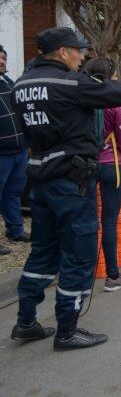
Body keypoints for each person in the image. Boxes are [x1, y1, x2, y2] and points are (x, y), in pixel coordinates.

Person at [10, 27, 121, 350]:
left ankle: (26, 320)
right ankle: (67, 330)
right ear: (61, 52)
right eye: (78, 50)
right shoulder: (69, 83)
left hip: (40, 180)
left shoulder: (21, 85)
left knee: (43, 252)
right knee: (79, 253)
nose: (82, 56)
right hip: (72, 183)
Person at [84, 57, 121, 292]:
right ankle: (113, 276)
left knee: (85, 220)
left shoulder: (81, 97)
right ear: (111, 76)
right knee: (108, 220)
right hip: (110, 164)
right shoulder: (115, 101)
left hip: (84, 164)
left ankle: (82, 273)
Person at [0, 46, 30, 257]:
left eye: (3, 58)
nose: (2, 61)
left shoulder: (10, 83)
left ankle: (16, 231)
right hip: (1, 153)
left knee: (13, 193)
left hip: (19, 150)